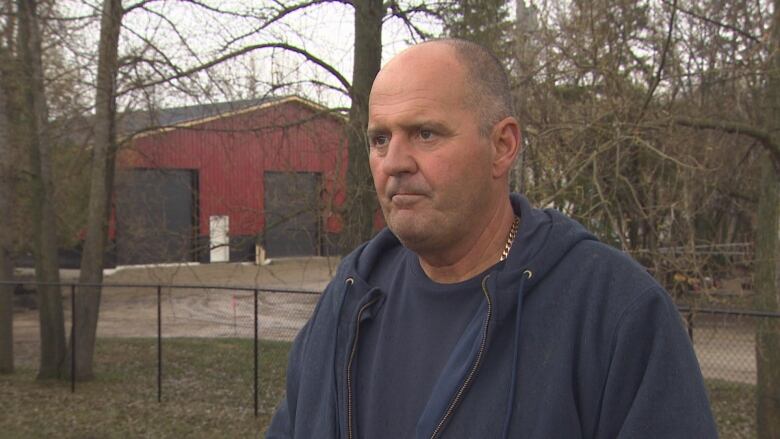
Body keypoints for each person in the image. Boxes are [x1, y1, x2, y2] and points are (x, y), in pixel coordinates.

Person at [266, 39, 717, 438]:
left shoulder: (614, 312)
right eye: (380, 139)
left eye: (425, 133)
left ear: (503, 146)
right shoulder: (348, 299)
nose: (394, 162)